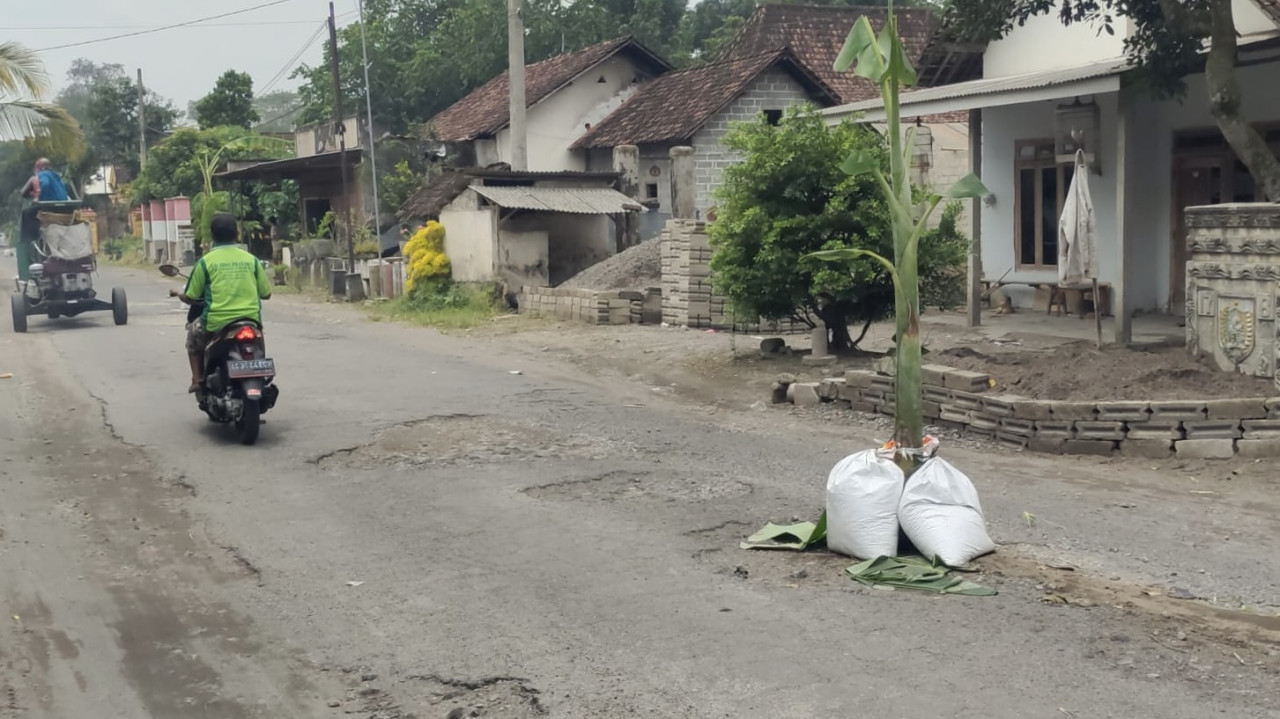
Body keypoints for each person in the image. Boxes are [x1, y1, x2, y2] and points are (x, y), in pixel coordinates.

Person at [171, 213, 272, 393]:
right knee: (259, 340)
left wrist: (180, 293)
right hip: (251, 320)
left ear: (212, 236)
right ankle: (260, 371)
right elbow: (266, 293)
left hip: (216, 323)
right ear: (237, 234)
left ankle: (197, 379)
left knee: (192, 339)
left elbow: (192, 296)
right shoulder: (252, 260)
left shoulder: (205, 262)